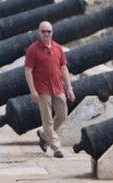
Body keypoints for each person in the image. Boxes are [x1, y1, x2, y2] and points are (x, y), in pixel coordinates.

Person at [24, 21, 75, 158]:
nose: (46, 34)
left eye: (49, 31)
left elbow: (64, 68)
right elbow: (28, 71)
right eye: (43, 31)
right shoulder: (33, 50)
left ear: (52, 32)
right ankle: (56, 147)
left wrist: (69, 88)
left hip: (58, 87)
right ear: (39, 32)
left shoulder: (58, 48)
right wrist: (33, 90)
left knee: (62, 115)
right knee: (47, 120)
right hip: (42, 90)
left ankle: (43, 135)